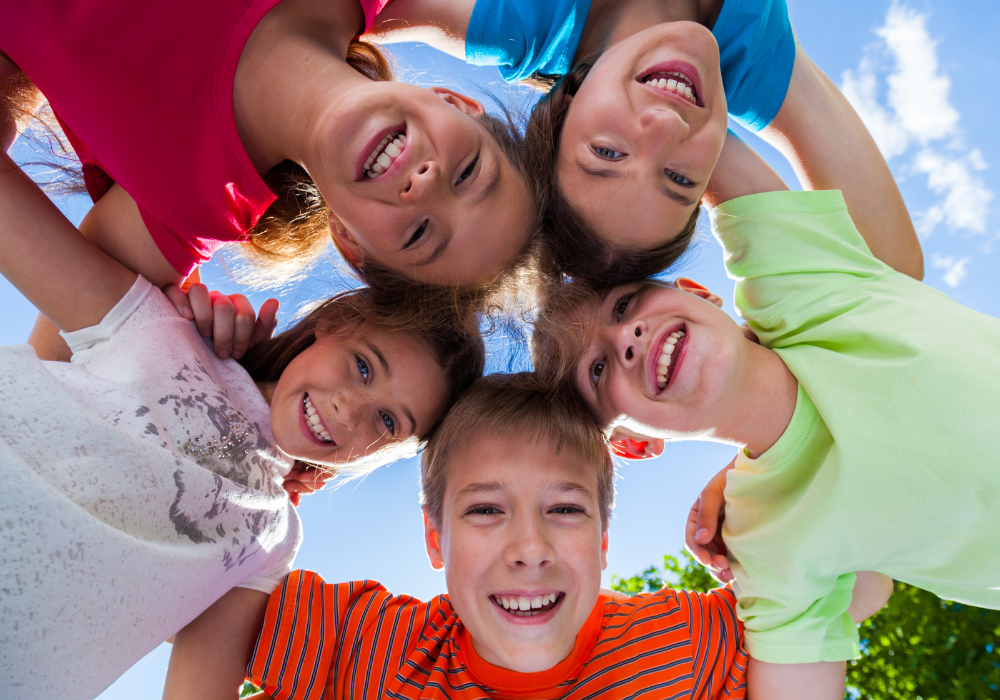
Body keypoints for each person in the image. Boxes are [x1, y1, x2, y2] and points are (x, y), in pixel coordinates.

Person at [0, 137, 485, 699]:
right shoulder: (160, 327)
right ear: (329, 326)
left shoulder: (270, 541)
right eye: (360, 366)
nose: (350, 411)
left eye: (388, 423)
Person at [530, 132, 1000, 675]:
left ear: (695, 291)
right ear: (634, 442)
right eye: (598, 370)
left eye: (624, 305)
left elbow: (682, 131)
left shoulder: (802, 292)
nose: (626, 339)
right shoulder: (761, 542)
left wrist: (569, 93)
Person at [163, 373, 892, 699]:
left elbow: (865, 582)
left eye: (566, 509)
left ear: (605, 542)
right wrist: (247, 396)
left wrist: (756, 496)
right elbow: (187, 580)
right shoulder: (374, 646)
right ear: (435, 541)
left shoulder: (683, 643)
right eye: (485, 510)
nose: (531, 546)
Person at [0, 0, 541, 363]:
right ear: (456, 102)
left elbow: (48, 381)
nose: (425, 186)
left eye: (421, 234)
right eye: (470, 173)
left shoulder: (186, 208)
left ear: (351, 243)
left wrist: (209, 367)